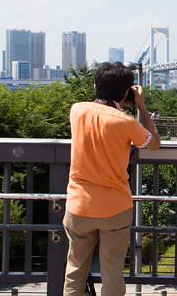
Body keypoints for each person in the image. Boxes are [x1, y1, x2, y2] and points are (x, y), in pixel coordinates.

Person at [63, 62, 160, 295]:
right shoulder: (125, 122)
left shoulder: (77, 110)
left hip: (79, 205)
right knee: (112, 272)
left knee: (75, 271)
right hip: (114, 208)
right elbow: (154, 143)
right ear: (128, 92)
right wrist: (142, 107)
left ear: (95, 86)